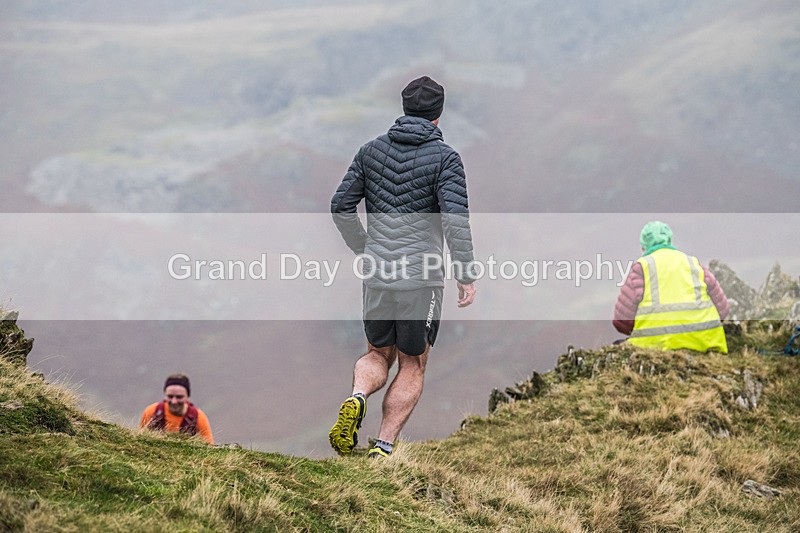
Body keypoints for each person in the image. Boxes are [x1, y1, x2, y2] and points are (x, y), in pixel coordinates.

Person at [329, 76, 477, 458]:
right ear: (438, 115)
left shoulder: (369, 151)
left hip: (377, 274)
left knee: (378, 353)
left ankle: (358, 396)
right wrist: (466, 273)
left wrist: (365, 248)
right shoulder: (446, 159)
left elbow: (340, 206)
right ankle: (383, 445)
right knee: (412, 363)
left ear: (404, 107)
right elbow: (454, 220)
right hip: (421, 278)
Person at [613, 221, 729, 353]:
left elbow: (621, 322)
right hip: (705, 343)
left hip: (655, 345)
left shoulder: (641, 268)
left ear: (643, 247)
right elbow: (723, 310)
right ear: (669, 241)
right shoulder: (694, 263)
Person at [140, 373, 214, 444]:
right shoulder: (151, 412)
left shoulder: (199, 417)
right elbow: (140, 440)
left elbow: (209, 447)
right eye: (170, 396)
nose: (174, 401)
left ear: (188, 397)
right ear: (164, 395)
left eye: (179, 397)